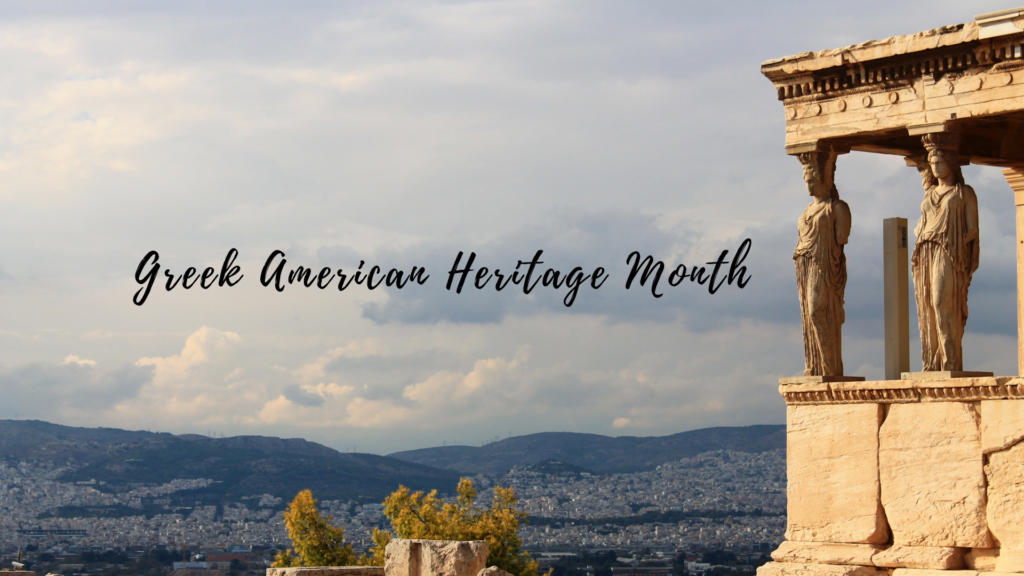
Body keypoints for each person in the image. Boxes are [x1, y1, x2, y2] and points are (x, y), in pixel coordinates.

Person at [911, 133, 979, 371]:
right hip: (926, 249)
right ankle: (933, 362)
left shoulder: (964, 193)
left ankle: (950, 360)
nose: (935, 167)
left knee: (941, 301)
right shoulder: (930, 194)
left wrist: (958, 242)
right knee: (927, 304)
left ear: (950, 163)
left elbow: (972, 229)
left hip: (949, 251)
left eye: (939, 162)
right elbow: (922, 222)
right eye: (932, 164)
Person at [794, 150, 851, 376]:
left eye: (812, 181)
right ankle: (815, 366)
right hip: (805, 265)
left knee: (819, 310)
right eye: (806, 181)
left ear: (825, 180)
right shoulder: (807, 210)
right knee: (809, 314)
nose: (808, 187)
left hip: (825, 266)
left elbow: (842, 238)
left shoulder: (837, 208)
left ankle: (830, 366)